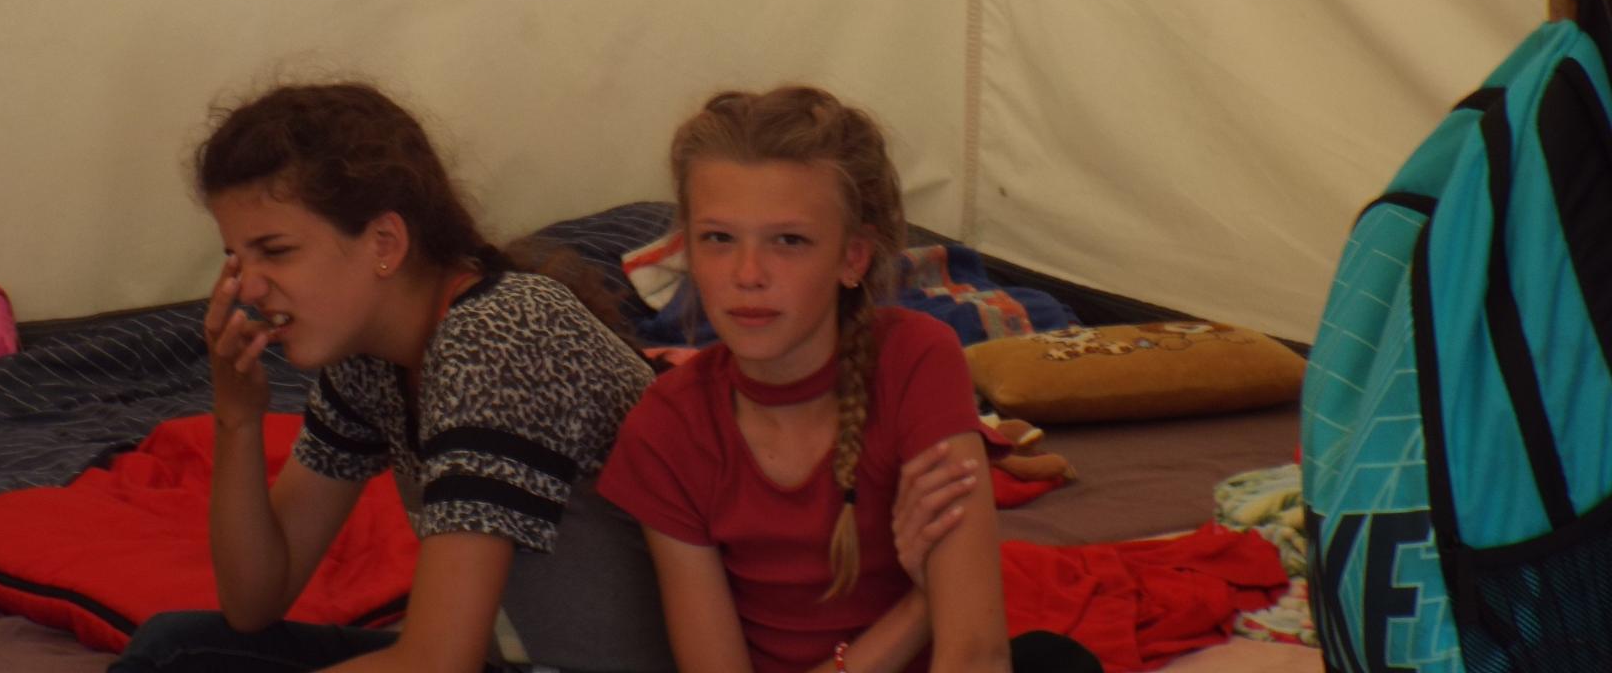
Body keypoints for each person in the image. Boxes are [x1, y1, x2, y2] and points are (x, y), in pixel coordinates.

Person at [113, 82, 674, 673]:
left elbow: (437, 661)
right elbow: (254, 601)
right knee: (176, 650)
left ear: (385, 242)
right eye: (237, 258)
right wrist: (237, 417)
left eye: (275, 252)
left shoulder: (503, 333)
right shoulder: (370, 358)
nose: (248, 288)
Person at [597, 87, 1101, 673]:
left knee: (1054, 662)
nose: (748, 274)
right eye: (719, 239)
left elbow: (975, 653)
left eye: (789, 241)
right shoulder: (669, 427)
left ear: (853, 257)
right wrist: (920, 606)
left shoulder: (916, 359)